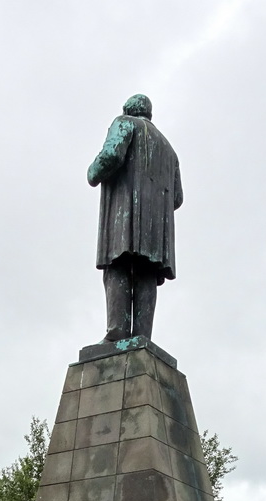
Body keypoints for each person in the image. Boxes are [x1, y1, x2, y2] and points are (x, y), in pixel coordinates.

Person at [88, 94, 182, 343]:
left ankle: (117, 332)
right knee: (146, 274)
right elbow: (178, 198)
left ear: (128, 109)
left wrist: (92, 173)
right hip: (155, 226)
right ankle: (142, 337)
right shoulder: (170, 151)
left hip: (125, 215)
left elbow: (111, 156)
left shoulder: (124, 122)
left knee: (117, 264)